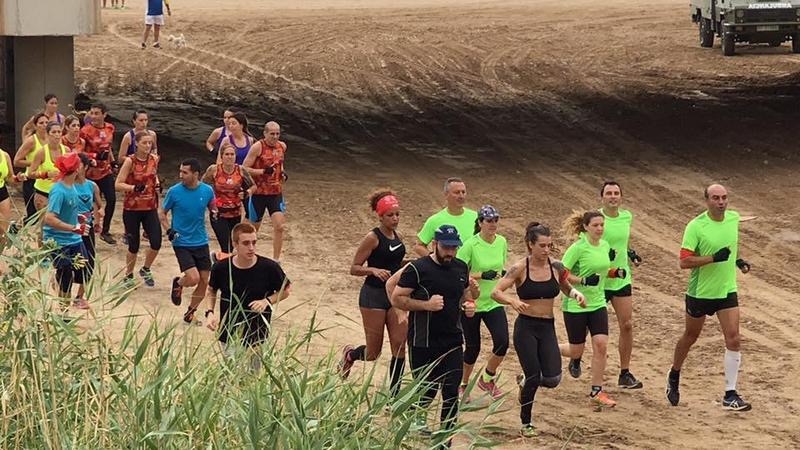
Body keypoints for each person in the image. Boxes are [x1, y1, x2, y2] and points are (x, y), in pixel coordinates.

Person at [491, 222, 586, 437]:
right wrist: (512, 302)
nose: (546, 250)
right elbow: (496, 292)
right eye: (542, 246)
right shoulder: (519, 268)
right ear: (530, 244)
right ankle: (526, 423)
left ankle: (524, 384)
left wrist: (576, 294)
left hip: (547, 327)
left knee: (553, 379)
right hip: (526, 327)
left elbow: (565, 285)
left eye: (549, 246)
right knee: (534, 375)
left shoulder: (556, 267)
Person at [390, 224, 478, 448]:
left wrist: (469, 304)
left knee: (450, 392)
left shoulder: (460, 267)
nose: (450, 252)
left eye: (454, 248)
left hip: (453, 340)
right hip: (424, 341)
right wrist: (426, 305)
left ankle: (445, 441)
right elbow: (397, 298)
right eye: (446, 247)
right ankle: (410, 421)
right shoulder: (418, 269)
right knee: (426, 389)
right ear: (434, 244)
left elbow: (464, 293)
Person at [666, 184, 752, 411]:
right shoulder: (696, 226)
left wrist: (737, 261)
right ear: (706, 201)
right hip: (700, 292)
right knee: (690, 336)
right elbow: (684, 262)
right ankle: (674, 373)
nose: (721, 202)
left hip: (726, 290)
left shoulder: (733, 219)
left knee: (733, 338)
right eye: (716, 198)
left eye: (724, 197)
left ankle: (730, 393)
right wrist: (714, 258)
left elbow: (729, 249)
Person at [338, 190, 407, 400]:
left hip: (393, 296)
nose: (395, 219)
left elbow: (395, 263)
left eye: (397, 214)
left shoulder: (398, 236)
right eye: (390, 215)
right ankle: (350, 354)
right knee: (373, 353)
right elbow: (354, 267)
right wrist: (373, 270)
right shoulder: (372, 238)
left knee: (400, 344)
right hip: (373, 296)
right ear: (380, 216)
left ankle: (393, 396)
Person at [560, 210, 627, 408]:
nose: (599, 229)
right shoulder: (577, 248)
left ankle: (596, 390)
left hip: (597, 303)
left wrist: (615, 272)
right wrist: (583, 281)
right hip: (576, 304)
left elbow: (601, 269)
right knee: (576, 350)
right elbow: (562, 274)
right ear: (586, 227)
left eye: (602, 225)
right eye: (596, 225)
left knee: (601, 345)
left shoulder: (605, 245)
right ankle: (546, 352)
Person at [205, 222, 291, 372]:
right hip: (229, 331)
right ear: (235, 244)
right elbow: (211, 290)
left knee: (253, 377)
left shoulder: (269, 267)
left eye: (254, 242)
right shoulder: (221, 268)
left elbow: (286, 290)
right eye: (246, 243)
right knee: (231, 373)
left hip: (257, 333)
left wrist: (267, 301)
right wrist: (209, 313)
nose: (251, 247)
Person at [455, 205, 508, 402]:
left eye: (495, 220)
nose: (493, 224)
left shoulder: (502, 242)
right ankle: (462, 384)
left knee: (502, 342)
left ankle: (487, 378)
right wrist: (480, 275)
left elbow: (501, 268)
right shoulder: (470, 245)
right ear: (480, 223)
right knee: (472, 347)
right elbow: (458, 272)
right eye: (488, 221)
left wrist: (502, 277)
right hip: (472, 302)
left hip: (493, 301)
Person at [160, 158, 217, 323]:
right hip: (181, 241)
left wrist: (215, 212)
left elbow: (212, 206)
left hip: (201, 241)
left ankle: (190, 313)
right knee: (193, 278)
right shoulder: (174, 191)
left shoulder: (207, 191)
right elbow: (162, 213)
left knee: (205, 280)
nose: (181, 175)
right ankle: (179, 282)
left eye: (185, 172)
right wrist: (169, 230)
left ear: (196, 174)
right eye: (180, 171)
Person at [598, 181, 644, 389]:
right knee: (591, 327)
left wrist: (630, 253)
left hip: (621, 278)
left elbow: (620, 242)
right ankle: (576, 356)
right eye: (609, 193)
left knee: (626, 325)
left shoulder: (627, 217)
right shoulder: (595, 219)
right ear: (602, 197)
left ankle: (624, 373)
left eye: (616, 193)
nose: (613, 197)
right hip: (598, 279)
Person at [41, 152, 91, 310]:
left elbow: (67, 211)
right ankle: (64, 312)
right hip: (59, 240)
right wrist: (74, 227)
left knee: (85, 270)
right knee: (66, 277)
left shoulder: (72, 187)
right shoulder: (58, 190)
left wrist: (79, 218)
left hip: (73, 239)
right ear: (76, 169)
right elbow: (49, 218)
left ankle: (67, 298)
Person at [115, 131, 162, 287]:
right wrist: (133, 187)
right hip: (132, 208)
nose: (148, 146)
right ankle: (128, 275)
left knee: (156, 242)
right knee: (133, 245)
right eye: (144, 143)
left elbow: (153, 175)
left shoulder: (154, 159)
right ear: (137, 144)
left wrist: (157, 183)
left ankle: (146, 268)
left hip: (150, 207)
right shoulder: (130, 161)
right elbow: (118, 184)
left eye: (150, 143)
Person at [201, 142, 255, 262]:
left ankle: (217, 258)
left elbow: (253, 186)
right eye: (227, 154)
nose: (230, 157)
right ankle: (226, 271)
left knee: (235, 244)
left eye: (232, 154)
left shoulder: (241, 170)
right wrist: (206, 201)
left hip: (235, 212)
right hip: (218, 213)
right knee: (227, 247)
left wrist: (247, 193)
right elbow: (202, 186)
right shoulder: (214, 170)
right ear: (222, 156)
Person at [242, 121, 287, 261]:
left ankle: (276, 260)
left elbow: (280, 164)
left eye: (277, 134)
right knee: (251, 230)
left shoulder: (282, 146)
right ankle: (240, 253)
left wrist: (283, 173)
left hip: (275, 193)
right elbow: (244, 169)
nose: (275, 137)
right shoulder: (257, 147)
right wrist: (262, 171)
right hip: (258, 194)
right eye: (272, 134)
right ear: (265, 133)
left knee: (279, 226)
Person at [80, 103, 118, 245]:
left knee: (112, 199)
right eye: (92, 113)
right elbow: (80, 151)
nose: (94, 116)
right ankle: (86, 230)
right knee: (89, 202)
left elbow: (109, 149)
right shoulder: (85, 130)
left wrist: (112, 161)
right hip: (90, 172)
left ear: (104, 114)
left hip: (105, 171)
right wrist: (95, 156)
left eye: (97, 113)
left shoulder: (110, 128)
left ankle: (105, 230)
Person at [413, 177, 477, 257]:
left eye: (463, 192)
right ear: (446, 195)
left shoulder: (476, 217)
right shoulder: (435, 220)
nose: (461, 196)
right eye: (457, 192)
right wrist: (435, 261)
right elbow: (418, 246)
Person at [73, 153, 103, 303]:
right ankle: (61, 290)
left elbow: (99, 204)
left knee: (89, 261)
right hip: (70, 227)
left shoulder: (92, 186)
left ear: (85, 167)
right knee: (70, 261)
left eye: (78, 164)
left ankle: (80, 296)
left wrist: (99, 216)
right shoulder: (66, 185)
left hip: (86, 227)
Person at [13, 112, 48, 223]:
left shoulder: (51, 139)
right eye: (41, 123)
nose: (44, 125)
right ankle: (16, 228)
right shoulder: (31, 141)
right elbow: (17, 161)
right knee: (33, 217)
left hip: (47, 181)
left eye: (46, 122)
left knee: (47, 214)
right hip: (31, 180)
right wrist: (35, 162)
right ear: (36, 125)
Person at [29, 122, 69, 213]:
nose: (57, 135)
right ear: (47, 134)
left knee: (60, 223)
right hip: (43, 192)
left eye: (59, 132)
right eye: (54, 132)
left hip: (61, 192)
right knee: (46, 224)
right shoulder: (41, 152)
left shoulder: (66, 150)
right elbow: (30, 173)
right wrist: (46, 174)